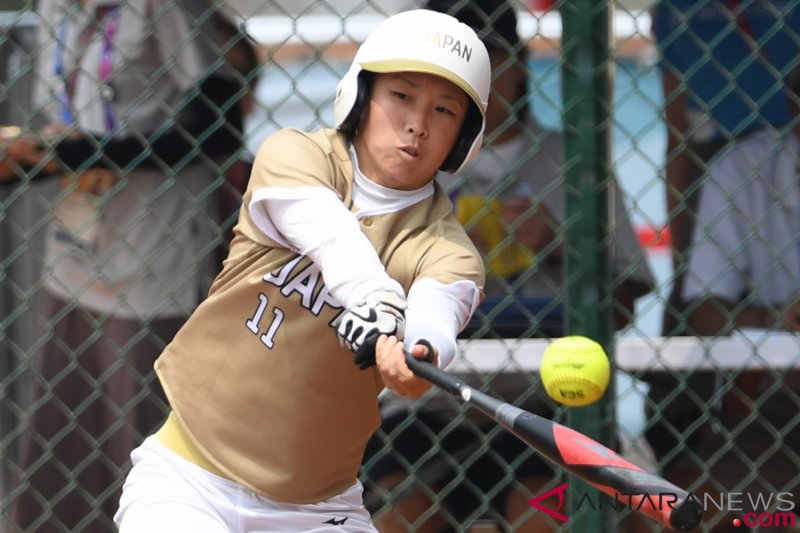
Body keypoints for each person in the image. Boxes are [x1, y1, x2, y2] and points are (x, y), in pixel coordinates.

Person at [112, 8, 492, 532]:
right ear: (362, 94)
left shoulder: (447, 249)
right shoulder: (296, 155)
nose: (417, 125)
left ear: (463, 137)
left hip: (318, 510)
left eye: (445, 111)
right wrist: (379, 303)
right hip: (189, 479)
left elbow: (438, 310)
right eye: (401, 96)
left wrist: (417, 350)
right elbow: (329, 234)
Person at [360, 1, 654, 532]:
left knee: (541, 517)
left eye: (485, 64)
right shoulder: (392, 175)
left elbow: (627, 301)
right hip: (427, 402)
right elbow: (355, 310)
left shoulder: (572, 160)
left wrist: (565, 246)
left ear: (517, 67)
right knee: (405, 517)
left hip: (548, 394)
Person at [6, 1, 252, 530]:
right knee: (65, 449)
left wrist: (95, 154)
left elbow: (221, 121)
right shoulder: (56, 7)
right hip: (74, 244)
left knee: (145, 445)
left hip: (149, 257)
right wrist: (38, 155)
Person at [644, 0, 800, 504]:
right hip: (776, 406)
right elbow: (677, 132)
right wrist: (778, 320)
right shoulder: (740, 172)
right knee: (672, 500)